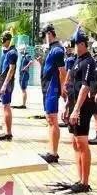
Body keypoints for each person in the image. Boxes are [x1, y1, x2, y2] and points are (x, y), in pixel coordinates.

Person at [62, 26, 96, 193]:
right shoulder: (77, 60)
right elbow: (71, 86)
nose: (74, 47)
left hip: (83, 106)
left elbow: (85, 87)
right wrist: (67, 106)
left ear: (82, 44)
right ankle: (79, 178)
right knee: (75, 142)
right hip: (73, 104)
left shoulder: (89, 61)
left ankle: (85, 182)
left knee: (82, 142)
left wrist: (76, 110)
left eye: (75, 44)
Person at [38, 24, 67, 164]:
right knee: (49, 119)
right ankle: (51, 151)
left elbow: (63, 72)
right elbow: (49, 68)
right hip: (46, 87)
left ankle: (54, 153)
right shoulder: (51, 49)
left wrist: (61, 89)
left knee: (52, 119)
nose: (44, 40)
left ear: (49, 34)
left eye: (44, 36)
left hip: (52, 87)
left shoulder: (57, 50)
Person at [0, 31, 17, 141]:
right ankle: (7, 131)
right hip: (2, 81)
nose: (2, 43)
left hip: (7, 82)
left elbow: (11, 69)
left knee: (6, 106)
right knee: (5, 106)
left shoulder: (12, 53)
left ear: (9, 41)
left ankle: (8, 132)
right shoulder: (6, 52)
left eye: (4, 41)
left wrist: (4, 85)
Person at [16, 45, 33, 109]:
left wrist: (25, 67)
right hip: (22, 74)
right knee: (23, 89)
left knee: (23, 89)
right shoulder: (23, 56)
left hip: (24, 74)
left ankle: (24, 104)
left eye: (21, 50)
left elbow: (31, 61)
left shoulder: (27, 56)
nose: (20, 51)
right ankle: (23, 103)